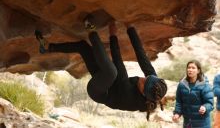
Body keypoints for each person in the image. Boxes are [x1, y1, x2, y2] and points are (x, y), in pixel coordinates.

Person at [35, 19, 167, 120]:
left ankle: (90, 28)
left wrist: (113, 35)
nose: (144, 77)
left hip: (99, 91)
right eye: (148, 77)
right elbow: (141, 53)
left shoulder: (129, 97)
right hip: (108, 79)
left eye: (144, 82)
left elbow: (118, 62)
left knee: (112, 71)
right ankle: (47, 47)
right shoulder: (153, 83)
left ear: (143, 93)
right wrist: (130, 28)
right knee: (83, 47)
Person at [172, 60, 214, 128]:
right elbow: (179, 101)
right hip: (188, 123)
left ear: (198, 71)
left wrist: (205, 108)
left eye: (193, 68)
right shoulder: (182, 85)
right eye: (188, 67)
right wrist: (177, 113)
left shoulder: (205, 85)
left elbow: (210, 103)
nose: (190, 70)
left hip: (202, 123)